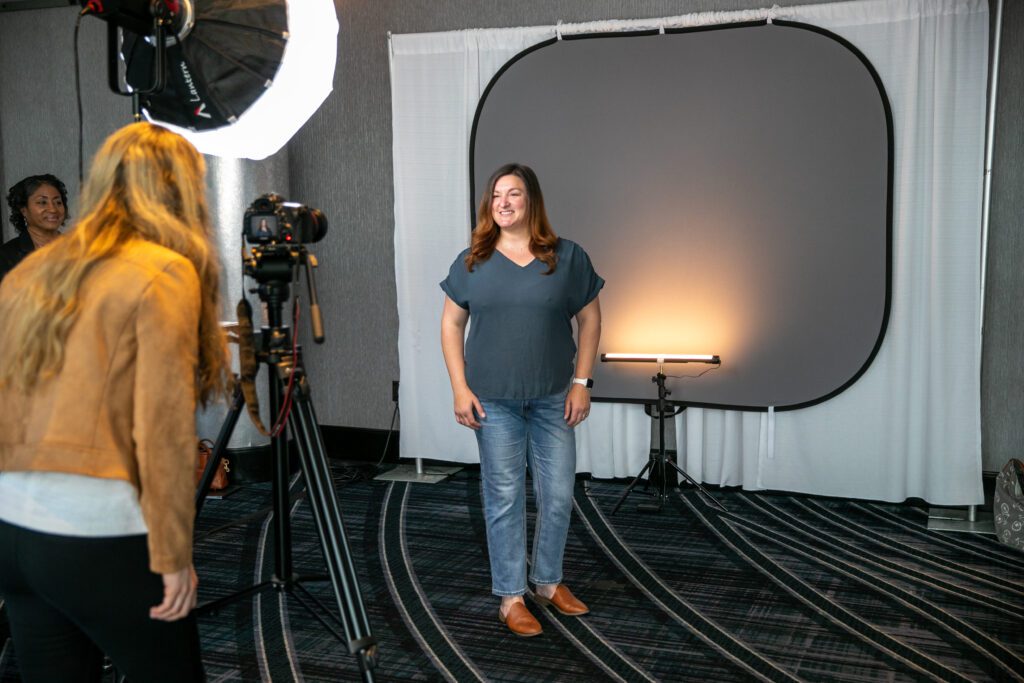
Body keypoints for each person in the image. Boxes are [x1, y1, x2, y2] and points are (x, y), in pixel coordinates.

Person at [0, 122, 229, 682]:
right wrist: (174, 556)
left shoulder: (30, 270)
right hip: (95, 530)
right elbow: (162, 427)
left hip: (12, 526)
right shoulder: (162, 270)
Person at [440, 163, 603, 637]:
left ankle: (548, 583)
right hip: (495, 403)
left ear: (532, 200)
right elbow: (451, 326)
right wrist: (459, 387)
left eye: (513, 194)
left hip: (555, 398)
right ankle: (511, 596)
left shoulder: (567, 258)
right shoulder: (472, 260)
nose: (504, 203)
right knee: (505, 497)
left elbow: (590, 321)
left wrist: (582, 382)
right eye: (496, 196)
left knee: (557, 496)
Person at [0, 173, 70, 282]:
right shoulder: (6, 257)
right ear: (23, 210)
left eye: (58, 202)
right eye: (42, 202)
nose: (53, 209)